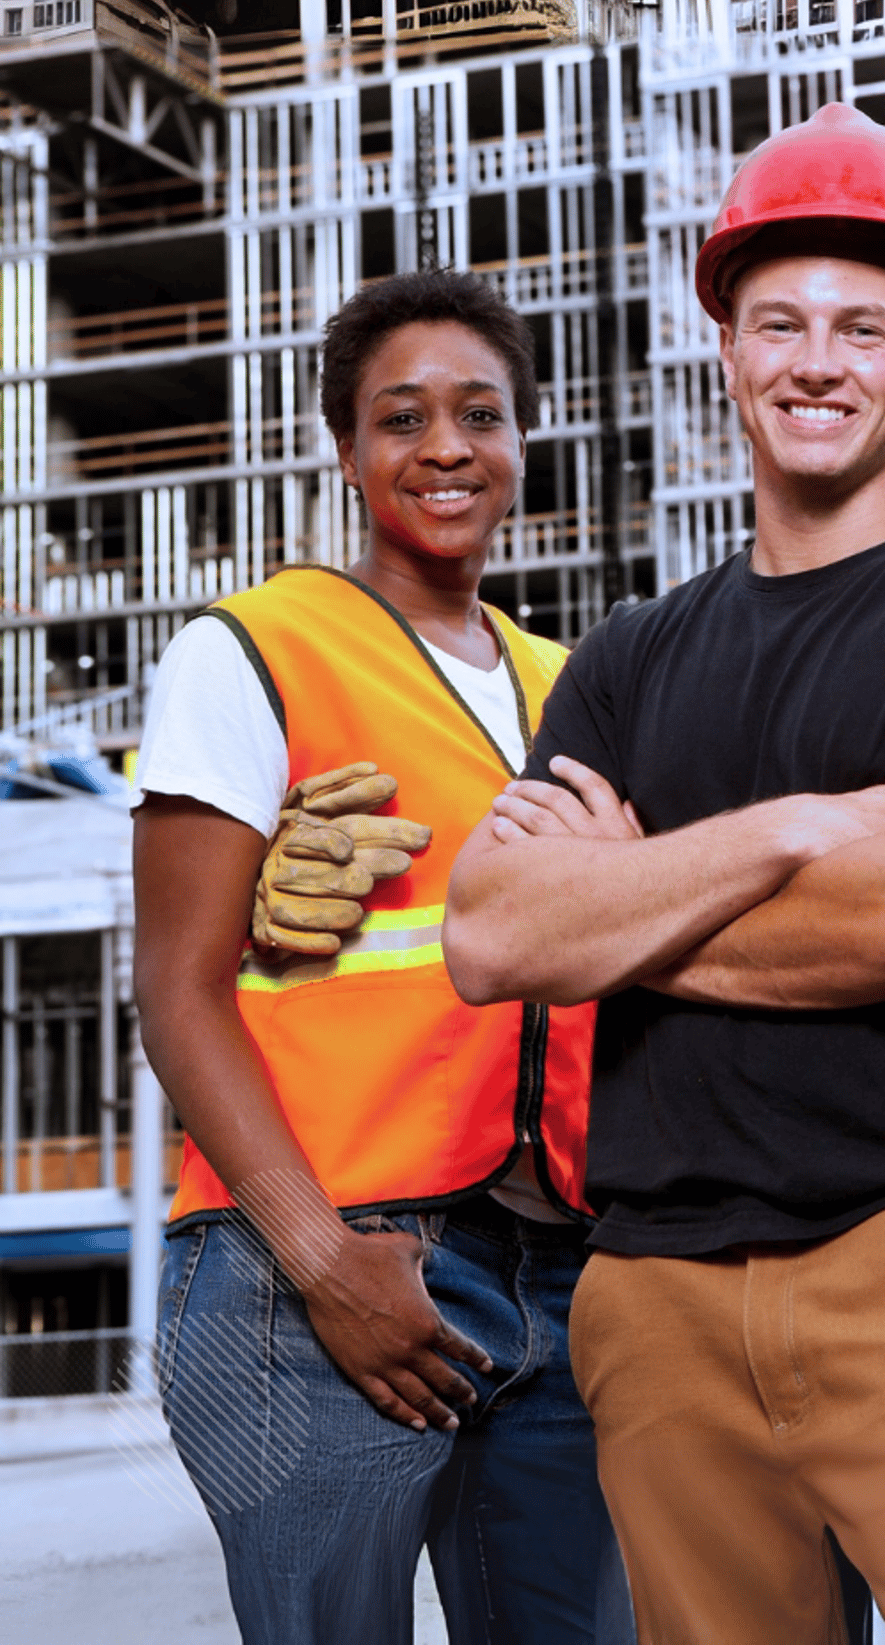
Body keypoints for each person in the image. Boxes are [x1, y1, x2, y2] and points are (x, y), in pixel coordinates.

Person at [443, 102, 885, 1645]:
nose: (815, 361)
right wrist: (785, 833)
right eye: (778, 324)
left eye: (860, 326)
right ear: (728, 350)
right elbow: (494, 935)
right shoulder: (629, 659)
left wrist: (625, 912)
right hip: (654, 1305)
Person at [132, 271, 630, 1645]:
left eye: (480, 413)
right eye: (400, 417)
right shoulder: (254, 652)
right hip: (316, 1262)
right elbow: (175, 992)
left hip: (550, 1262)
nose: (446, 447)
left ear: (527, 441)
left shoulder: (565, 684)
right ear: (346, 451)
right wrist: (324, 1258)